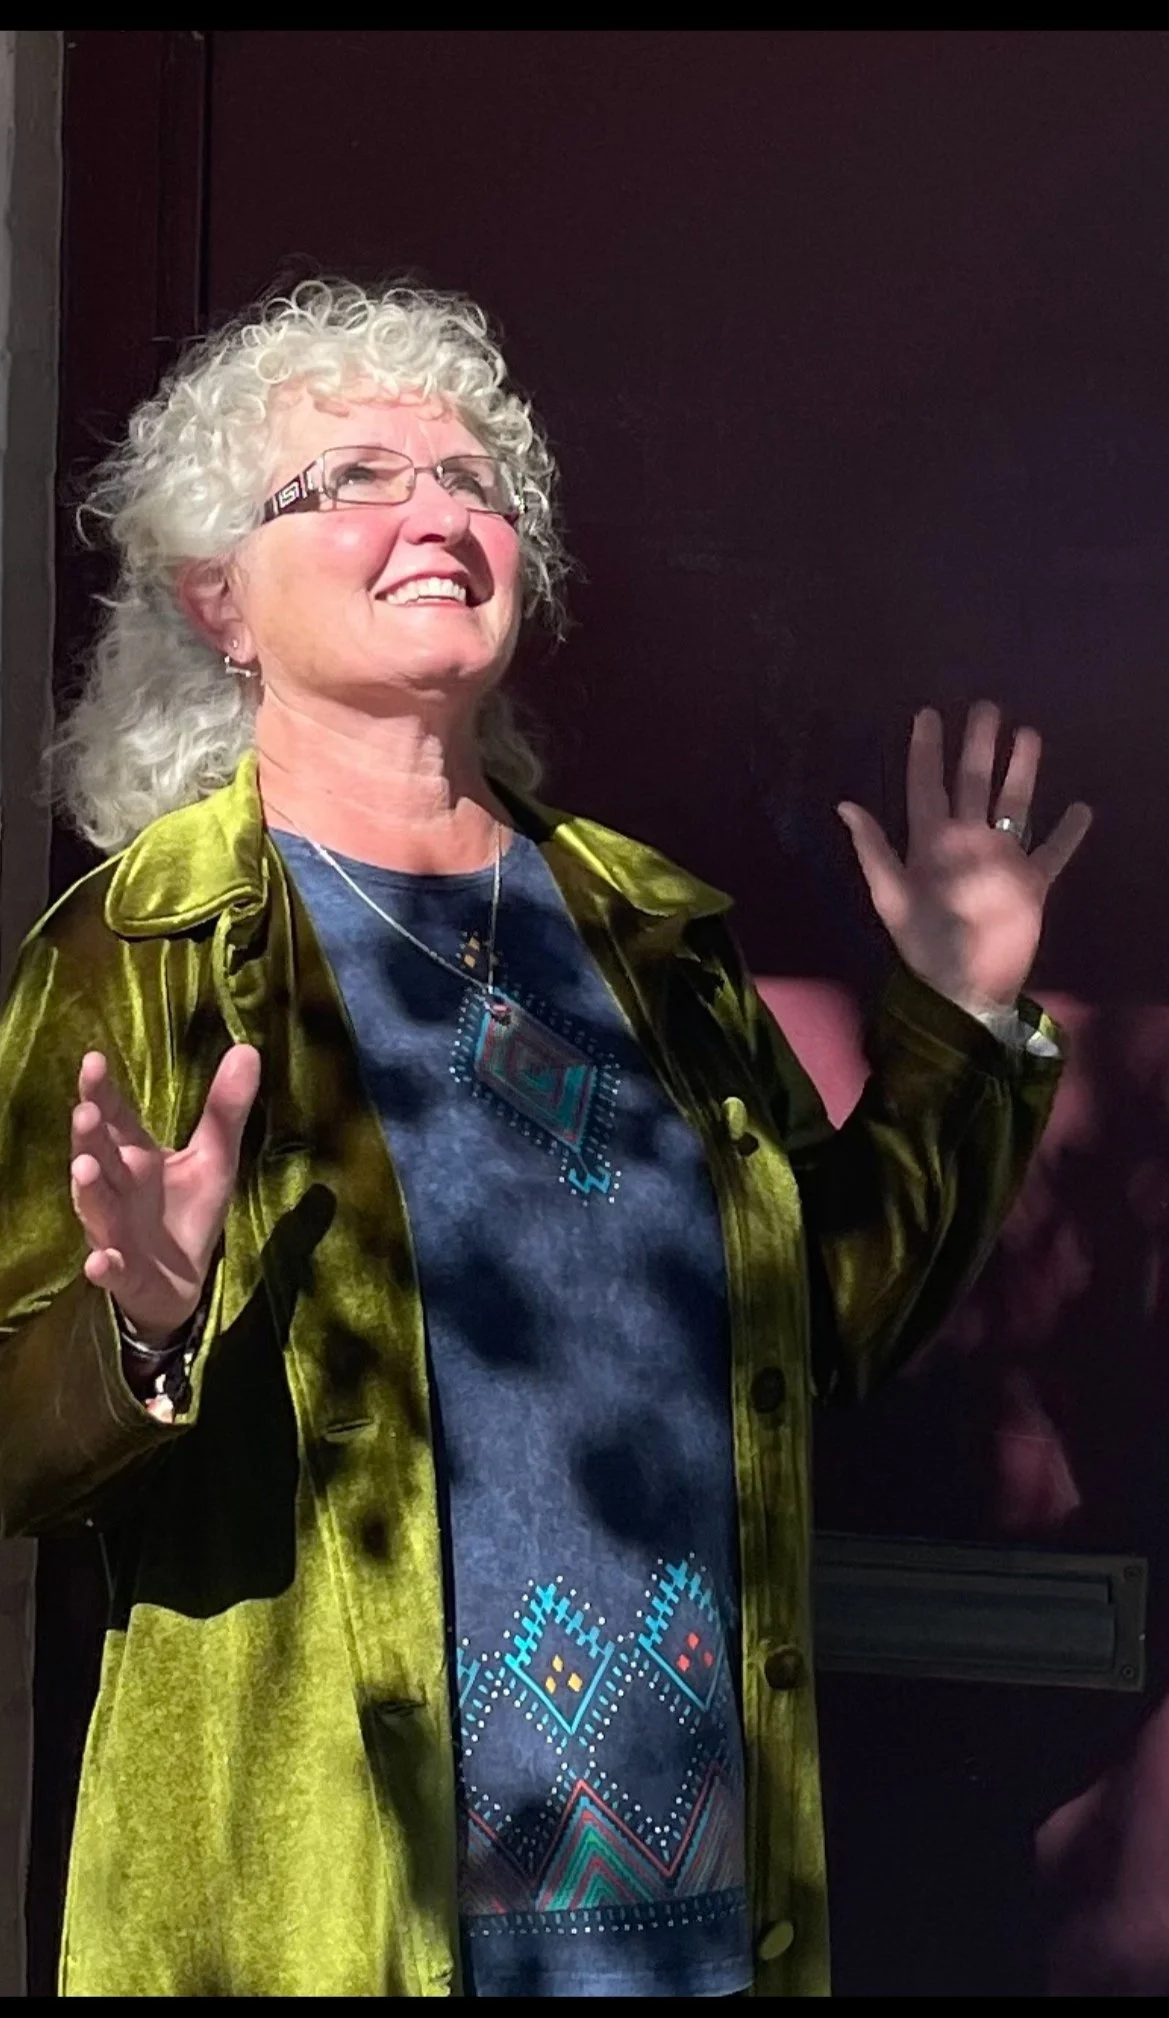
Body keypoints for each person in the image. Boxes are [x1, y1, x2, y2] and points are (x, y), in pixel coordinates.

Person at [0, 280, 1090, 1999]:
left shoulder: (643, 933)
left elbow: (827, 1322)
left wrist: (958, 1019)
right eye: (353, 477)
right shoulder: (142, 944)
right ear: (219, 595)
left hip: (694, 1935)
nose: (439, 513)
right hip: (337, 1932)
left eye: (474, 482)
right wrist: (138, 1319)